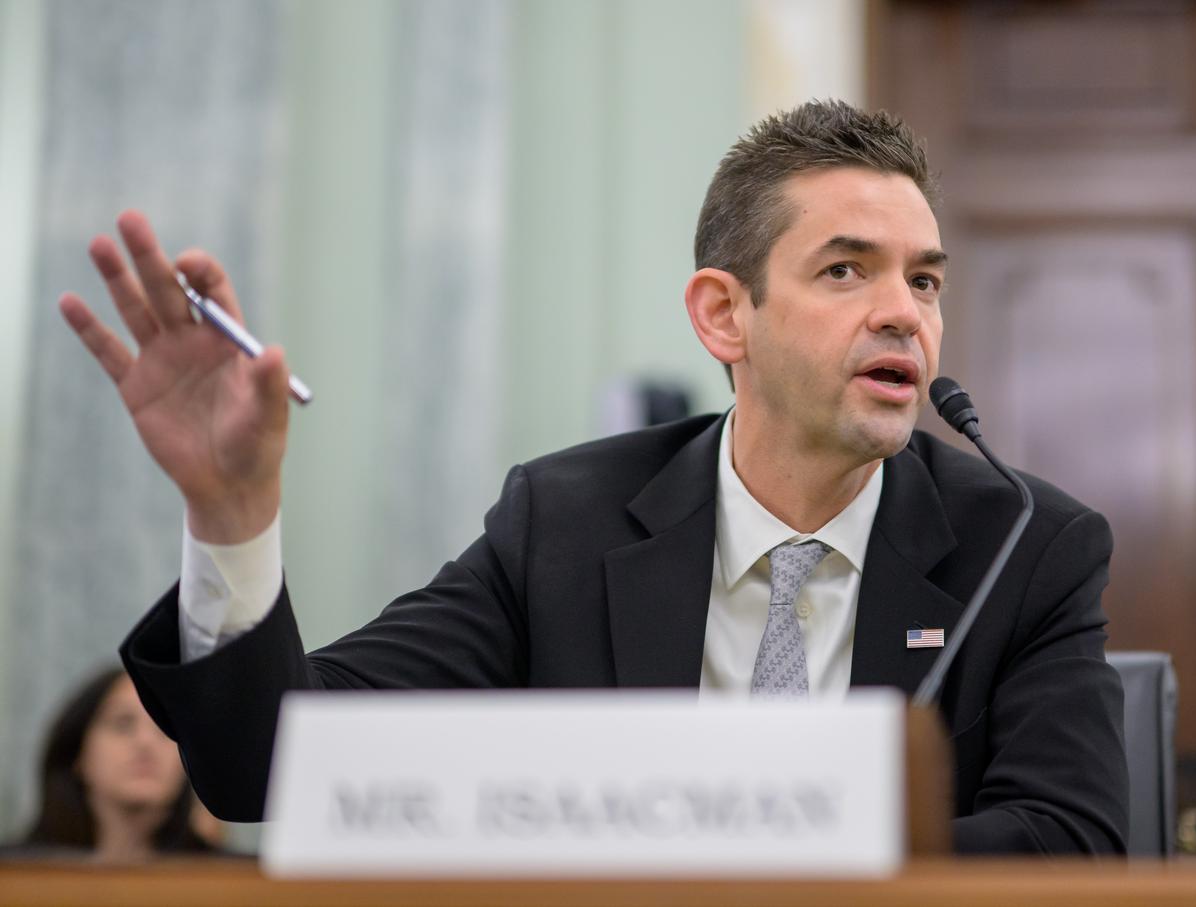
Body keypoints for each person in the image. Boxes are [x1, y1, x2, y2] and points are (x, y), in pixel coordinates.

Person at [58, 100, 1128, 855]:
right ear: (722, 313)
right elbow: (269, 766)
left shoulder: (1023, 545)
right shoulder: (563, 523)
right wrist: (231, 513)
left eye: (924, 278)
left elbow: (1071, 838)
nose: (904, 310)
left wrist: (759, 843)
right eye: (845, 268)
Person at [19, 668, 216, 861]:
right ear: (77, 753)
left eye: (165, 727)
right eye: (123, 724)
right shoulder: (14, 875)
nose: (146, 742)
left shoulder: (229, 879)